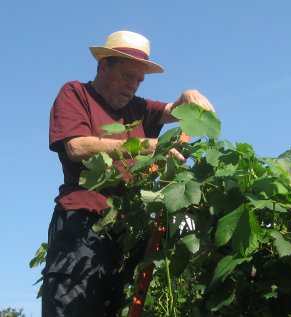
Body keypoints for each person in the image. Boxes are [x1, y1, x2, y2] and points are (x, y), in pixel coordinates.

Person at [42, 30, 215, 317]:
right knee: (73, 307)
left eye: (139, 80)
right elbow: (76, 146)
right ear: (102, 67)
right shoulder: (76, 93)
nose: (133, 86)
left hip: (125, 231)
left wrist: (188, 95)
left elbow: (176, 111)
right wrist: (145, 146)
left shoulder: (138, 108)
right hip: (83, 223)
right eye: (126, 76)